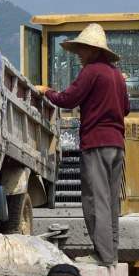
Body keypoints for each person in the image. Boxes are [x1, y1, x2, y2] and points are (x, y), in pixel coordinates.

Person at [38, 24, 130, 263]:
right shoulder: (117, 76)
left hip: (96, 143)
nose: (79, 54)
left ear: (92, 50)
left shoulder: (92, 72)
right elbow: (126, 108)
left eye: (82, 49)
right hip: (116, 145)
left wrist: (46, 91)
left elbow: (68, 99)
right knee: (110, 202)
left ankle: (103, 255)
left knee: (94, 200)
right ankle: (112, 252)